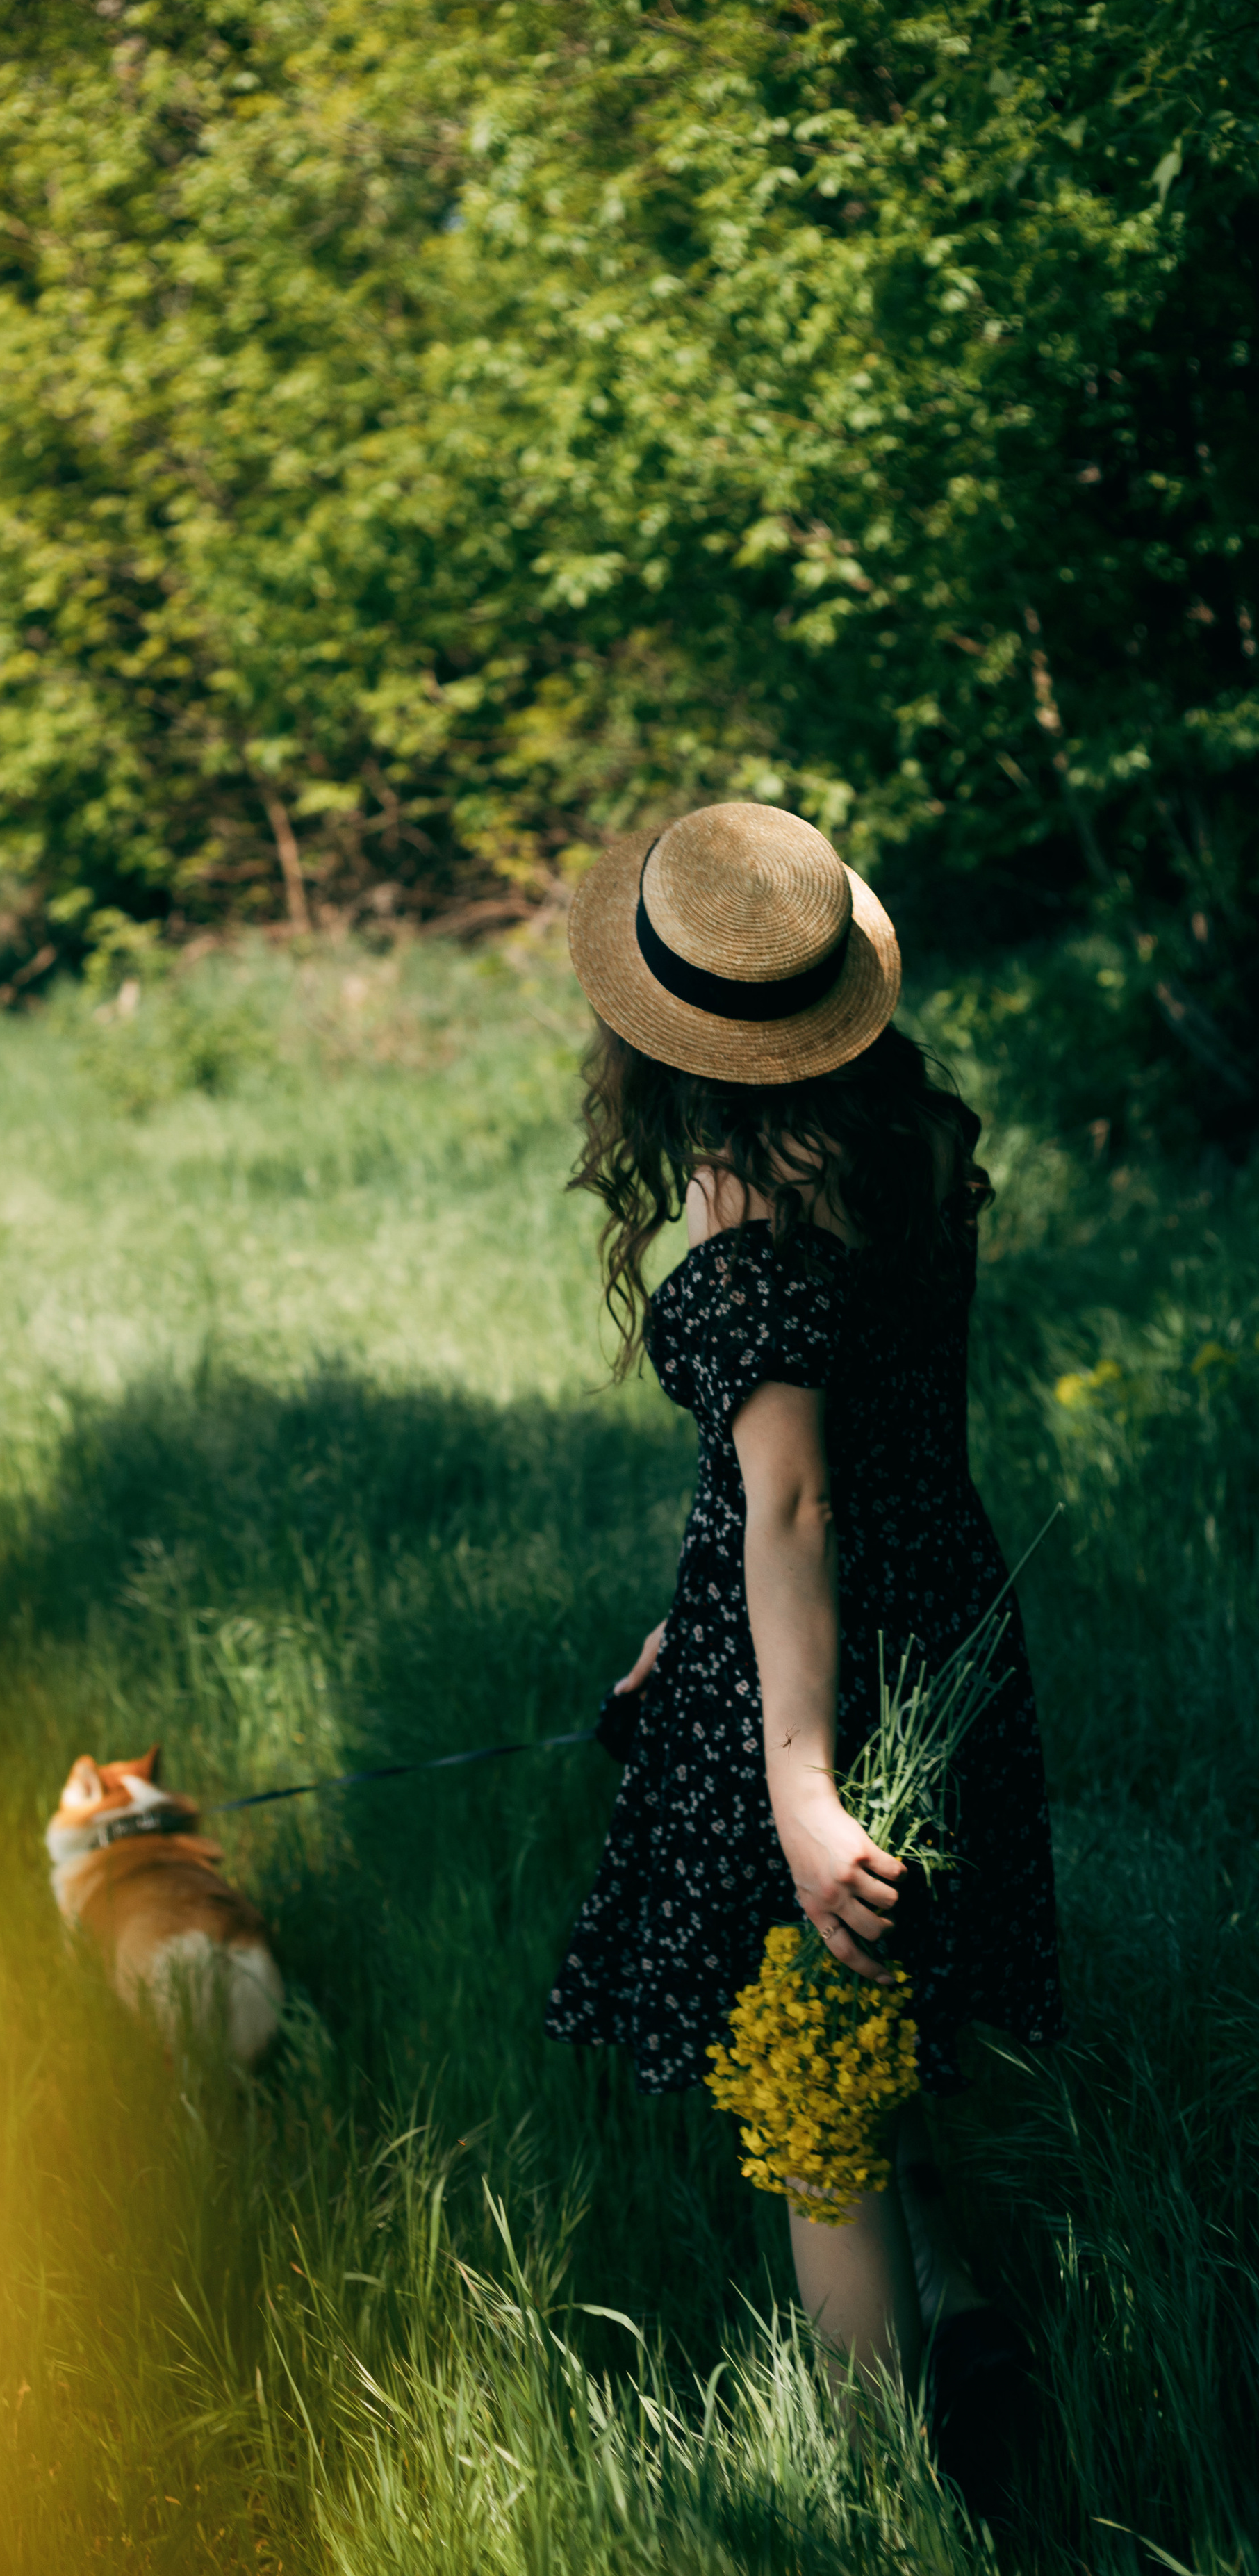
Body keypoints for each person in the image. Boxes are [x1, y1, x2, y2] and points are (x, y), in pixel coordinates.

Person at [543, 803, 1064, 2511]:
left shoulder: (744, 1197)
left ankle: (876, 2497)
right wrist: (679, 1623)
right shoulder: (897, 1140)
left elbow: (793, 1503)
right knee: (869, 2023)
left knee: (811, 2093)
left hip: (823, 1682)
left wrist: (798, 1785)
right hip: (935, 1629)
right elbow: (836, 1458)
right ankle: (962, 2325)